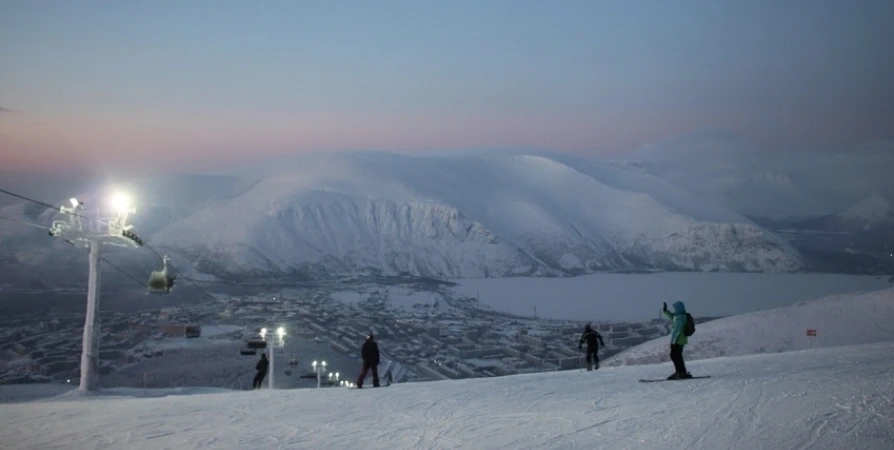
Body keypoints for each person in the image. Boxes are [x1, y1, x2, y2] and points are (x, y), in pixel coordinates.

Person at [663, 301, 692, 379]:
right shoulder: (680, 316)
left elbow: (677, 330)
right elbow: (672, 317)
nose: (674, 309)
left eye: (675, 308)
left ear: (679, 308)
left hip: (678, 340)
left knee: (674, 355)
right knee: (677, 356)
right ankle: (681, 372)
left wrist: (673, 341)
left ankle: (679, 372)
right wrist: (665, 311)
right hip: (680, 340)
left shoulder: (680, 318)